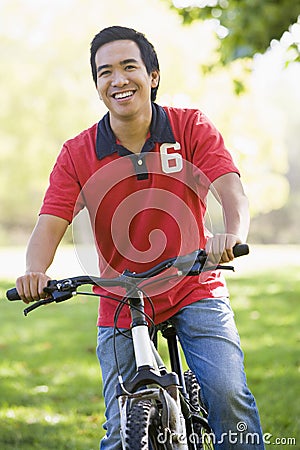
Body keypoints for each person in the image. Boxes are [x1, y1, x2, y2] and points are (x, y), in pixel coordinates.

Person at [16, 26, 265, 449]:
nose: (118, 80)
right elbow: (51, 220)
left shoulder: (189, 127)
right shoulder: (78, 153)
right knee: (119, 429)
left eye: (129, 67)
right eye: (105, 72)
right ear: (96, 86)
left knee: (227, 396)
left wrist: (231, 236)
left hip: (194, 284)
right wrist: (34, 271)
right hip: (120, 296)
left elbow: (230, 188)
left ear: (152, 75)